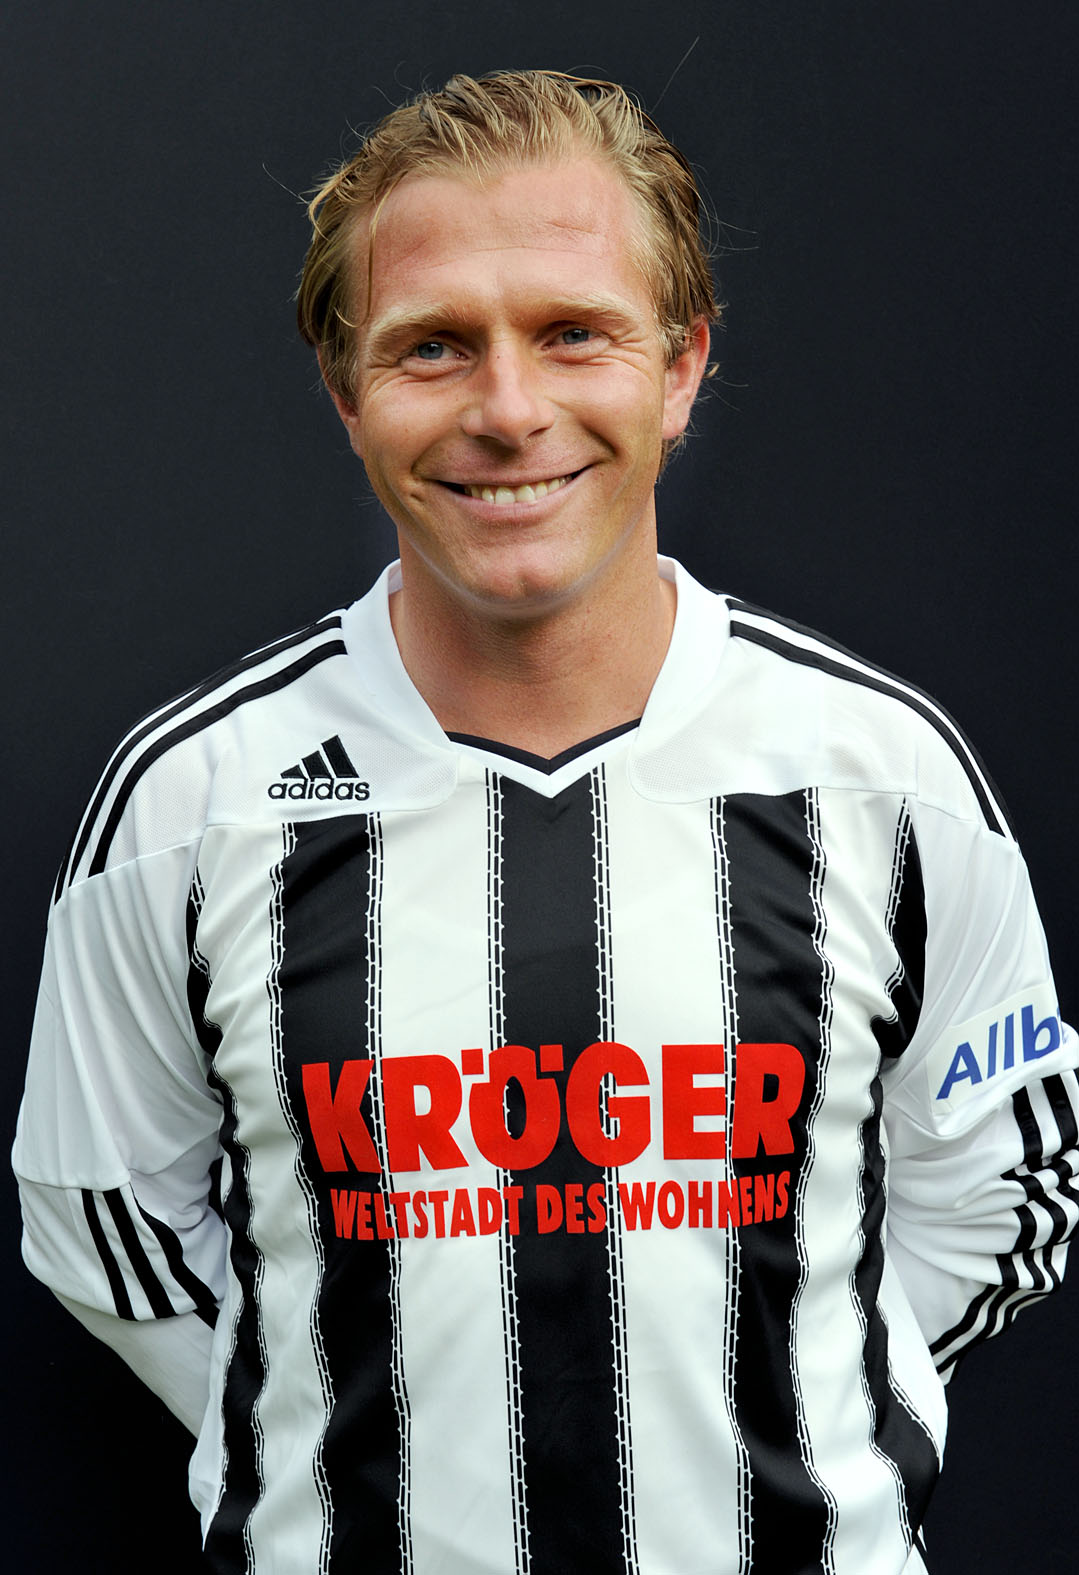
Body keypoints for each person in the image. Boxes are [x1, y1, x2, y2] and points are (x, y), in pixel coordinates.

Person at [13, 69, 1079, 1575]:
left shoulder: (888, 782)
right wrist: (355, 1428)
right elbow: (103, 1225)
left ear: (682, 366)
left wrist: (780, 1389)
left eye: (576, 332)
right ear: (348, 394)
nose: (510, 412)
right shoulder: (191, 806)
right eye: (433, 346)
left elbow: (1005, 1196)